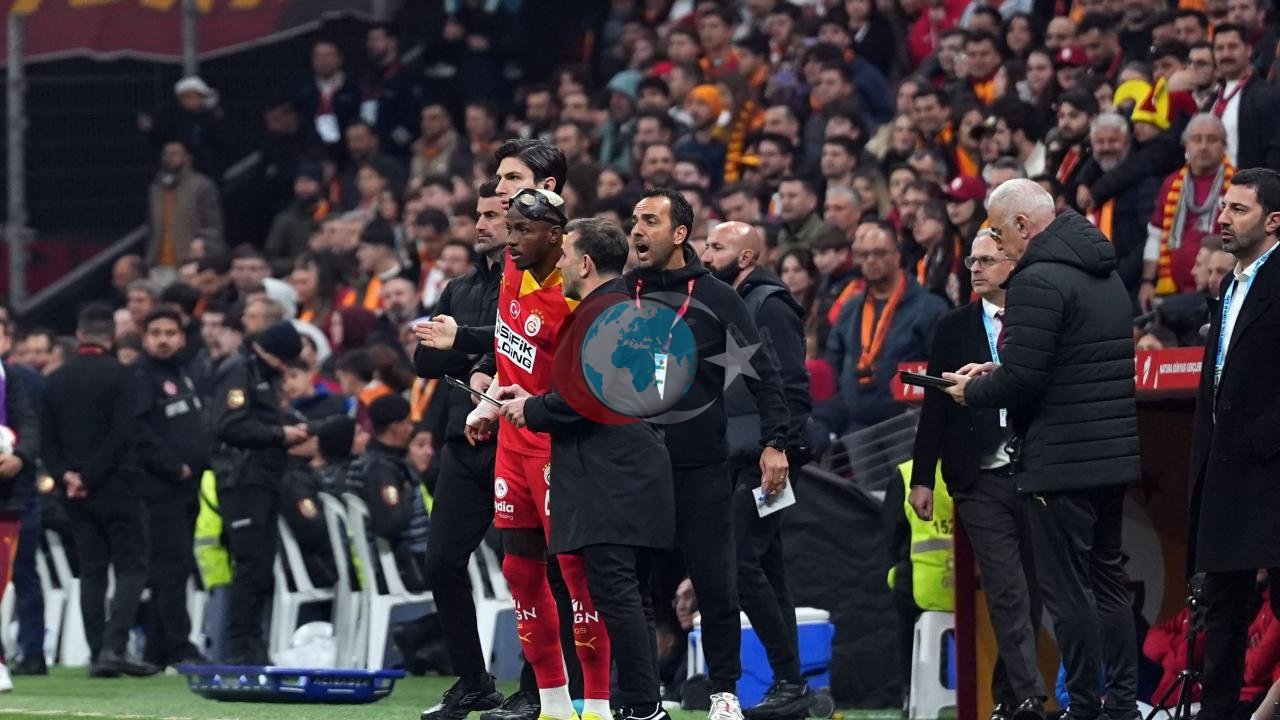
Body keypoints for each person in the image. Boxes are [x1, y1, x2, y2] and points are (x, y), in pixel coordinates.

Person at [941, 180, 1140, 720]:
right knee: (1108, 583)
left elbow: (1025, 380)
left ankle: (1084, 706)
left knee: (1066, 593)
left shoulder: (1036, 278)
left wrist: (973, 390)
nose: (996, 242)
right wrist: (999, 368)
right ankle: (1122, 705)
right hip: (1112, 454)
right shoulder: (1104, 272)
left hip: (1059, 462)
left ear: (1023, 225)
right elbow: (1065, 362)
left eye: (998, 231)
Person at [495, 217, 676, 720]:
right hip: (635, 467)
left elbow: (587, 399)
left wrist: (532, 409)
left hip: (613, 473)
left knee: (616, 593)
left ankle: (642, 708)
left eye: (567, 256)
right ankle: (644, 706)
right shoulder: (625, 308)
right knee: (631, 596)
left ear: (587, 263)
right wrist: (535, 399)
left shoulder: (601, 313)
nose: (560, 265)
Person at [626, 188, 791, 720]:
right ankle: (639, 693)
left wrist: (775, 442)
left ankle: (724, 691)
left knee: (716, 581)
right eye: (634, 220)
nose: (636, 230)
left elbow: (765, 373)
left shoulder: (717, 295)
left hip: (700, 464)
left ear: (679, 234)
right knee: (632, 584)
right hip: (635, 465)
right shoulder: (623, 292)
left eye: (649, 221)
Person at [458, 188, 612, 720]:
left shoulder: (574, 296)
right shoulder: (510, 268)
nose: (513, 239)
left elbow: (589, 384)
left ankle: (598, 704)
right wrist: (488, 402)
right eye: (512, 228)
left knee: (574, 574)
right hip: (510, 444)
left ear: (556, 236)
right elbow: (508, 350)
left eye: (524, 230)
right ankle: (552, 704)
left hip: (557, 447)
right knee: (520, 573)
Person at [909, 230, 1046, 720]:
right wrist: (922, 477)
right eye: (971, 261)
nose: (975, 269)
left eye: (986, 260)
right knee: (1007, 587)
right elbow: (935, 405)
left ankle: (1009, 697)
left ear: (1013, 264)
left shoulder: (1037, 319)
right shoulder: (953, 325)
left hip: (1034, 472)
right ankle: (1031, 696)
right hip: (978, 475)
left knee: (1032, 591)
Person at [699, 221, 814, 720]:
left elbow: (790, 384)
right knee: (766, 567)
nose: (705, 255)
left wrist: (777, 445)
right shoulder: (730, 302)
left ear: (746, 258)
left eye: (717, 247)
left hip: (768, 456)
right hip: (741, 453)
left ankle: (789, 679)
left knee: (741, 563)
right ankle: (792, 685)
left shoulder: (769, 304)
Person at [412, 180, 508, 720]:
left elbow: (524, 343)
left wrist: (463, 343)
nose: (481, 224)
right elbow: (424, 361)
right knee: (442, 562)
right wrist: (468, 350)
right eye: (479, 214)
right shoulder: (460, 286)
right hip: (462, 442)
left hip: (515, 440)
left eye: (493, 215)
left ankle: (546, 686)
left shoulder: (530, 284)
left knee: (532, 565)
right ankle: (475, 681)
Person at [1188, 168, 1280, 720]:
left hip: (1270, 465)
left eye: (1238, 210)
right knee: (1222, 605)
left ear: (1274, 221)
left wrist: (1261, 438)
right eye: (1223, 207)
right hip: (1225, 469)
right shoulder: (1228, 286)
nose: (1223, 218)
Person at [41, 304, 159, 678]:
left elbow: (47, 441)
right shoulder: (122, 377)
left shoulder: (55, 380)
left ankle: (97, 652)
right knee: (131, 566)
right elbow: (122, 435)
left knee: (91, 570)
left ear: (79, 335)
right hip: (117, 485)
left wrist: (68, 477)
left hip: (75, 494)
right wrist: (90, 476)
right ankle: (114, 647)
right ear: (111, 336)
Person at [210, 321, 311, 665]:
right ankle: (241, 647)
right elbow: (229, 423)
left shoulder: (256, 371)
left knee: (261, 565)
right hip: (242, 479)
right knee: (251, 564)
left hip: (261, 478)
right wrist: (279, 434)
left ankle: (252, 644)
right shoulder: (240, 370)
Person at [133, 308, 210, 668]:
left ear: (181, 337)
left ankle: (157, 649)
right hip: (160, 487)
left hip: (186, 486)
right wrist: (173, 466)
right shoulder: (142, 376)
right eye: (156, 333)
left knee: (172, 569)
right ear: (144, 337)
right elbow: (138, 431)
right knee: (170, 569)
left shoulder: (182, 372)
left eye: (170, 333)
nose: (163, 340)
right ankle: (179, 646)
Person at [0, 317, 40, 690]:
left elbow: (30, 425)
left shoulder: (15, 379)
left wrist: (20, 457)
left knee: (2, 580)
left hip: (6, 497)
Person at [147, 141, 224, 276]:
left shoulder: (201, 185)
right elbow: (151, 225)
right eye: (166, 154)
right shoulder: (156, 188)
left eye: (175, 154)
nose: (169, 158)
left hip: (189, 260)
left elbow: (213, 222)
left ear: (188, 157)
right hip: (158, 261)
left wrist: (205, 245)